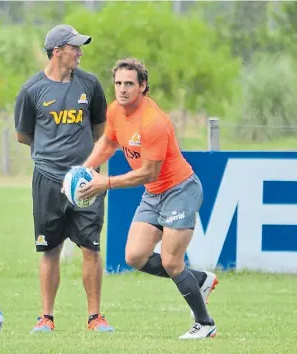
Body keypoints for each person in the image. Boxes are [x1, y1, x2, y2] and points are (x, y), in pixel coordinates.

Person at [78, 57, 218, 339]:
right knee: (135, 256)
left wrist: (104, 182)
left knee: (171, 261)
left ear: (143, 86)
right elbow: (107, 142)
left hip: (180, 190)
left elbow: (148, 174)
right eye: (118, 83)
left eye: (129, 83)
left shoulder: (154, 122)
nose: (122, 89)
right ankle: (200, 280)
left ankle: (205, 324)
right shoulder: (116, 110)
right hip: (154, 195)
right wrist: (85, 169)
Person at [14, 24, 113, 333]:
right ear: (57, 52)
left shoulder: (91, 85)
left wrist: (90, 168)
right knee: (49, 249)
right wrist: (52, 157)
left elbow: (101, 130)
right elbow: (23, 135)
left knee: (91, 248)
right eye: (75, 48)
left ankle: (95, 317)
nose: (80, 53)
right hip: (47, 180)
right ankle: (46, 317)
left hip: (87, 181)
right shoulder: (32, 91)